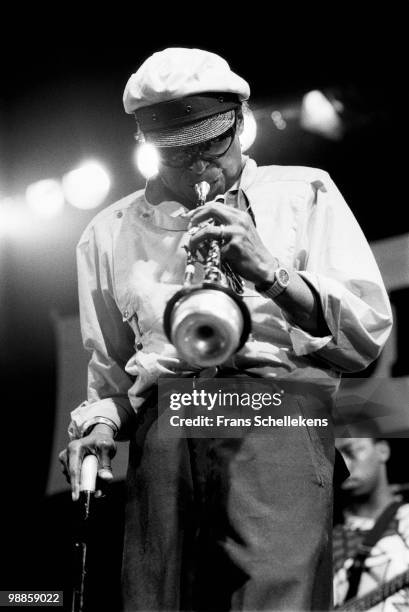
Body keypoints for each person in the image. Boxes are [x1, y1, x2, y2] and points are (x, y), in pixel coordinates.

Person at [59, 47, 393, 611]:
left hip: (276, 416)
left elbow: (365, 335)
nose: (196, 167)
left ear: (241, 121)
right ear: (146, 145)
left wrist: (273, 273)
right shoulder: (107, 232)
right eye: (175, 153)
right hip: (164, 426)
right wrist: (96, 423)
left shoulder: (303, 191)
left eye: (210, 144)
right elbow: (113, 377)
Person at [333, 434, 409, 611]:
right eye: (334, 455)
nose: (342, 462)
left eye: (350, 451)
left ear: (382, 450)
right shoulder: (323, 539)